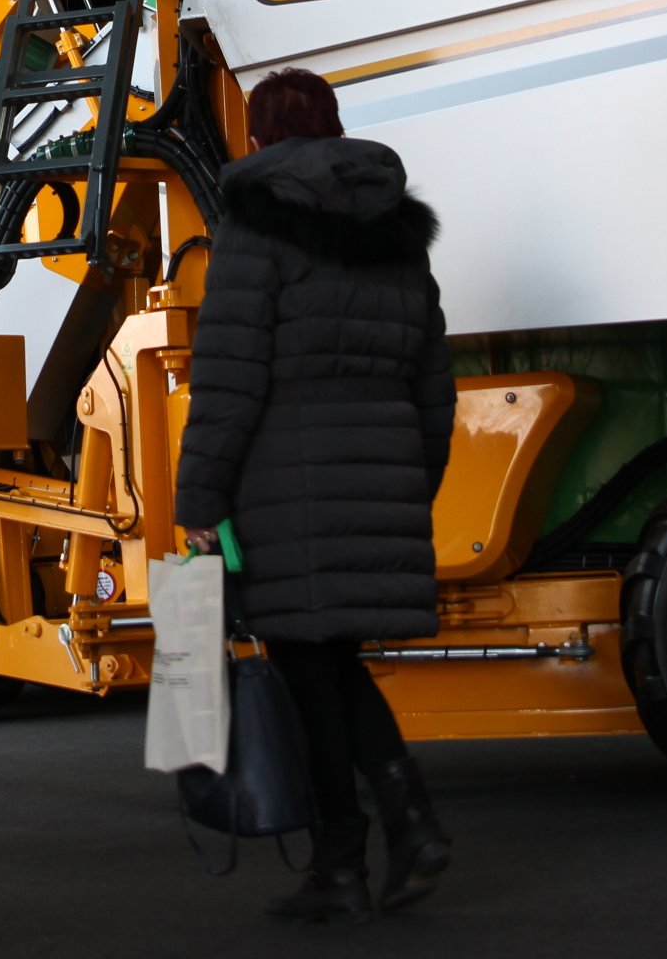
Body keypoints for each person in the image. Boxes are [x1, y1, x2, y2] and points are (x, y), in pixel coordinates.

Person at [174, 68, 457, 926]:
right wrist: (412, 480)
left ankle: (345, 863)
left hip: (278, 484)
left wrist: (199, 501)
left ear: (257, 141)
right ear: (335, 130)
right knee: (328, 659)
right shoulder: (397, 235)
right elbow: (434, 381)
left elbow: (229, 382)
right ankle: (408, 825)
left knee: (307, 665)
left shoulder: (253, 229)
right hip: (378, 474)